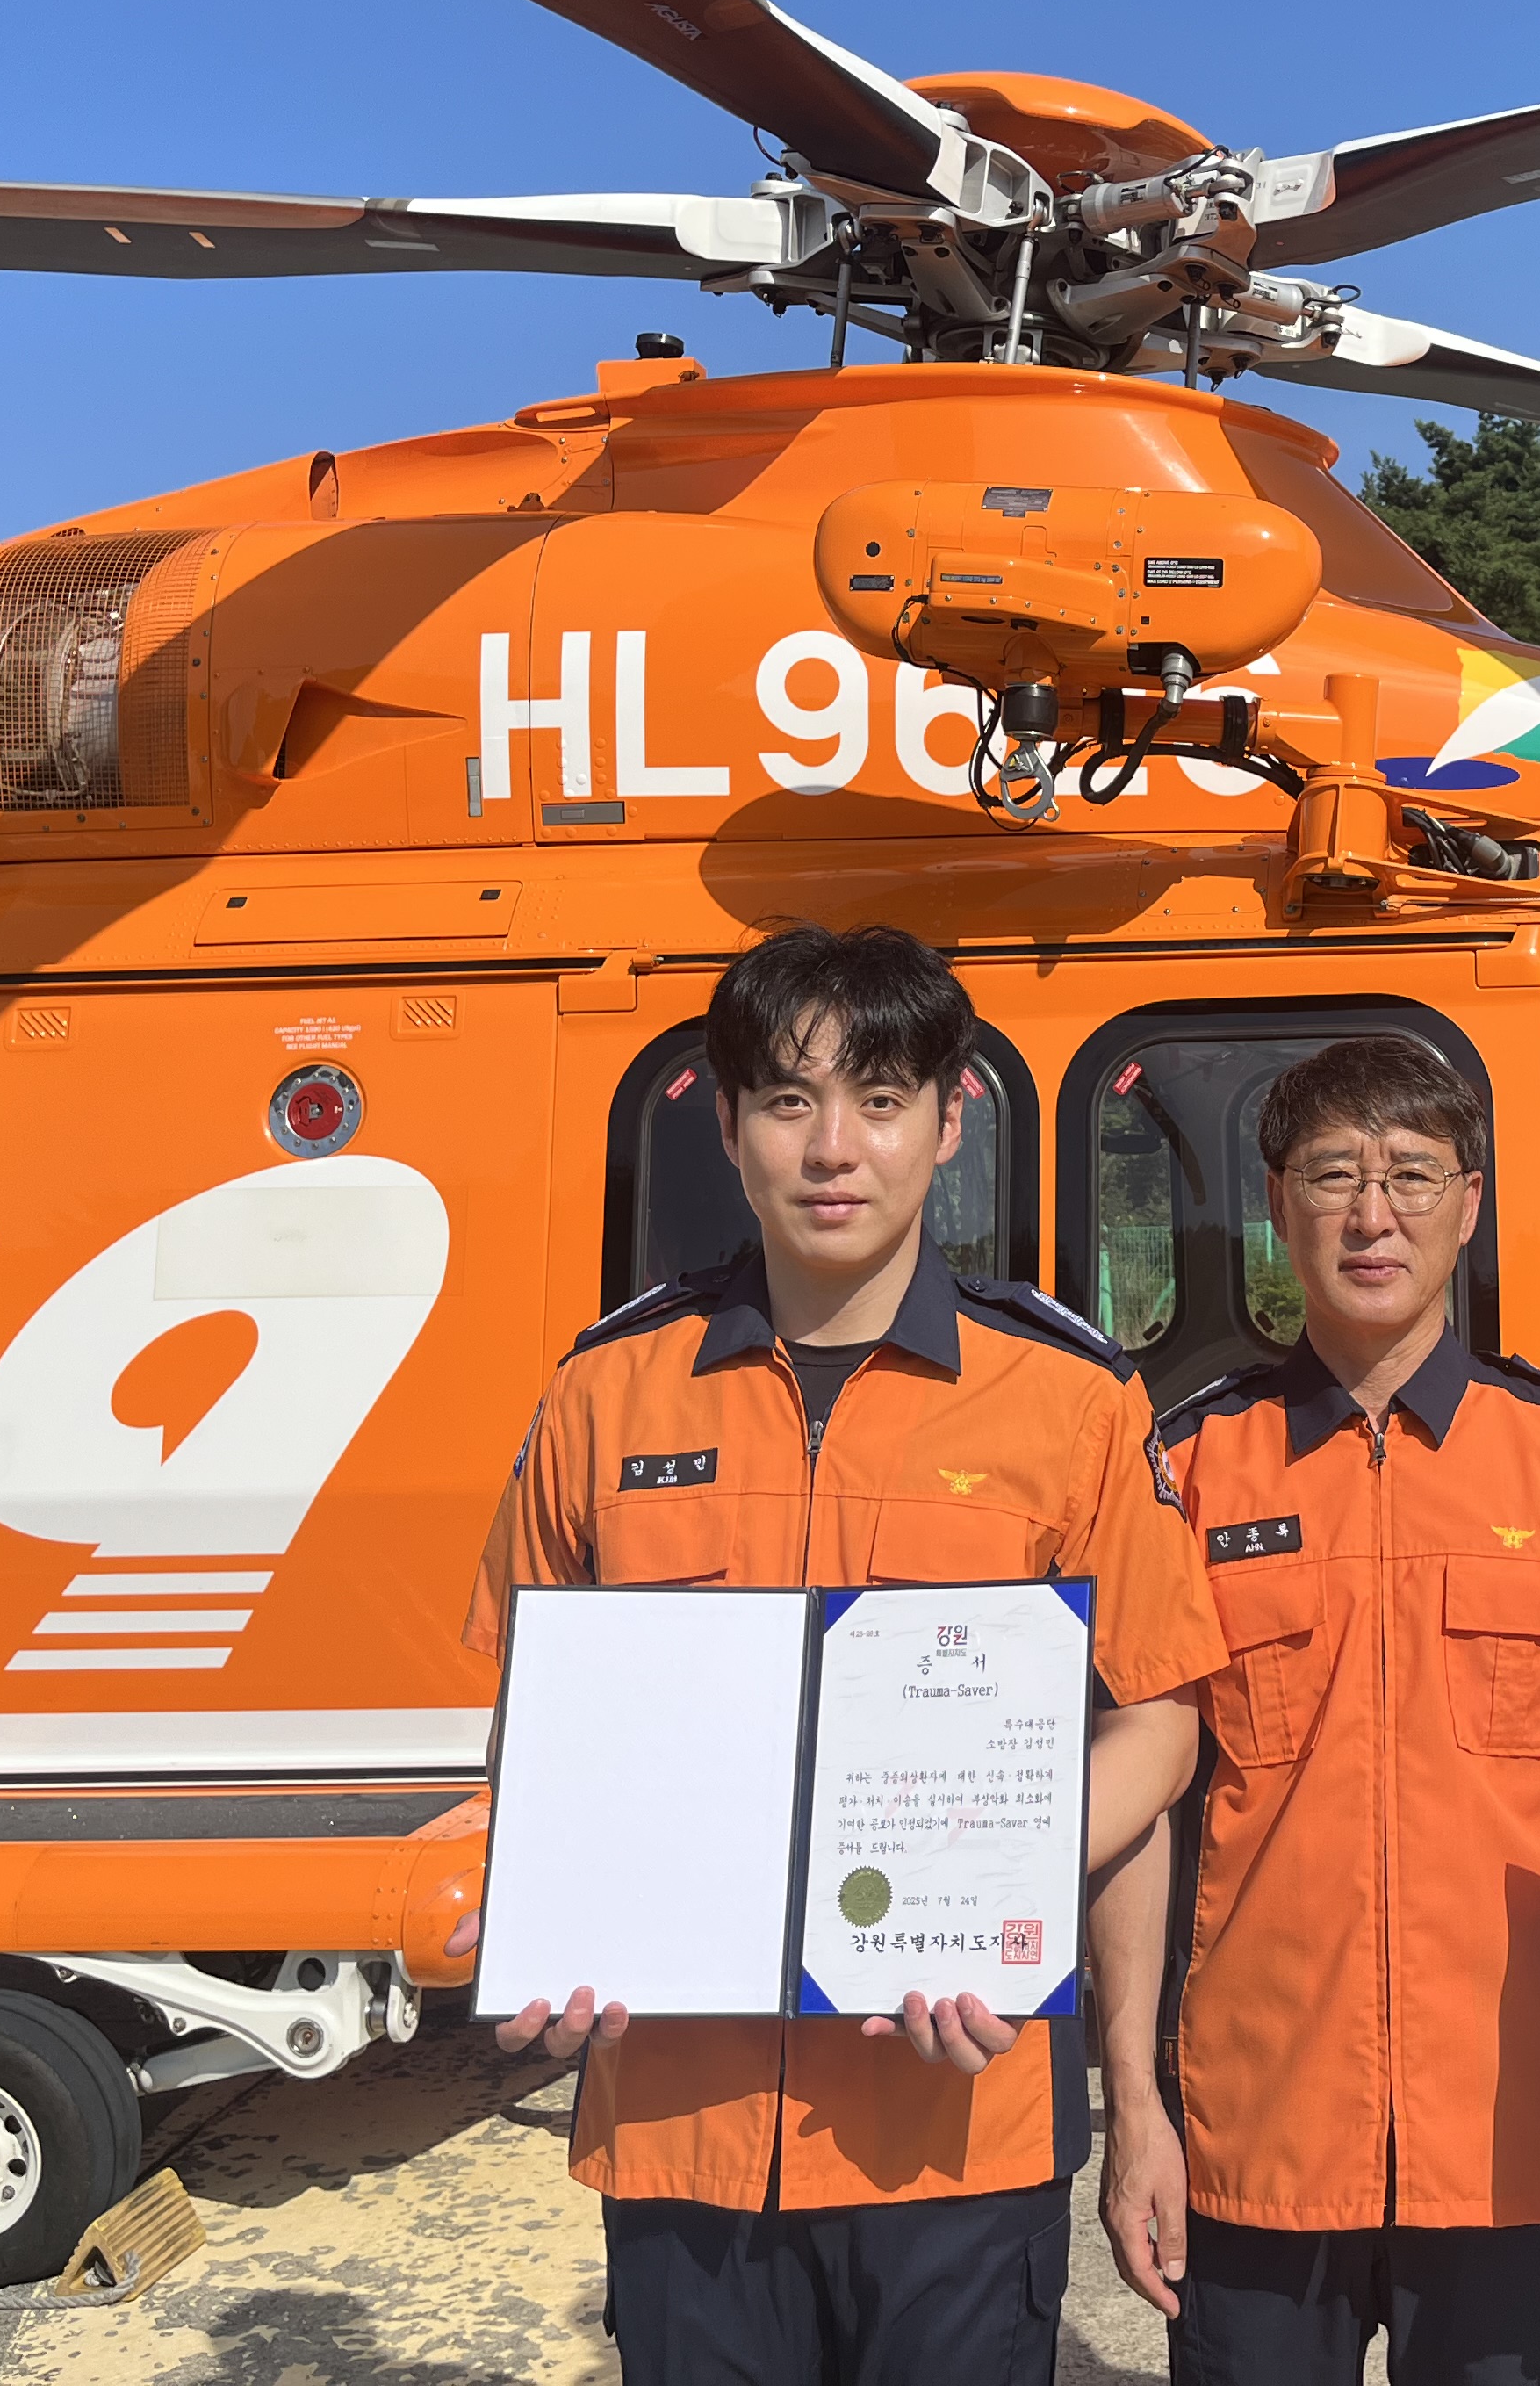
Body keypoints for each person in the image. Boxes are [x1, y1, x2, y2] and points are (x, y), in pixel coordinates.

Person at [451, 924, 1224, 2384]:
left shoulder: (1068, 1399)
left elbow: (1157, 1724)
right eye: (789, 1101)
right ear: (728, 1126)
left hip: (961, 2119)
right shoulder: (604, 1395)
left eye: (878, 1099)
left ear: (948, 1124)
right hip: (681, 2129)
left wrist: (990, 1889)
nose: (833, 1148)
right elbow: (535, 1714)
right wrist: (549, 1925)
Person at [1121, 1037, 1540, 2386]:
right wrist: (1134, 2103)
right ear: (1277, 1202)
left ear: (1469, 1204)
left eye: (1413, 1176)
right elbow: (1142, 1798)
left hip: (1511, 2133)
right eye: (1334, 1177)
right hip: (1255, 2136)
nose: (1374, 1216)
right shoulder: (1191, 1465)